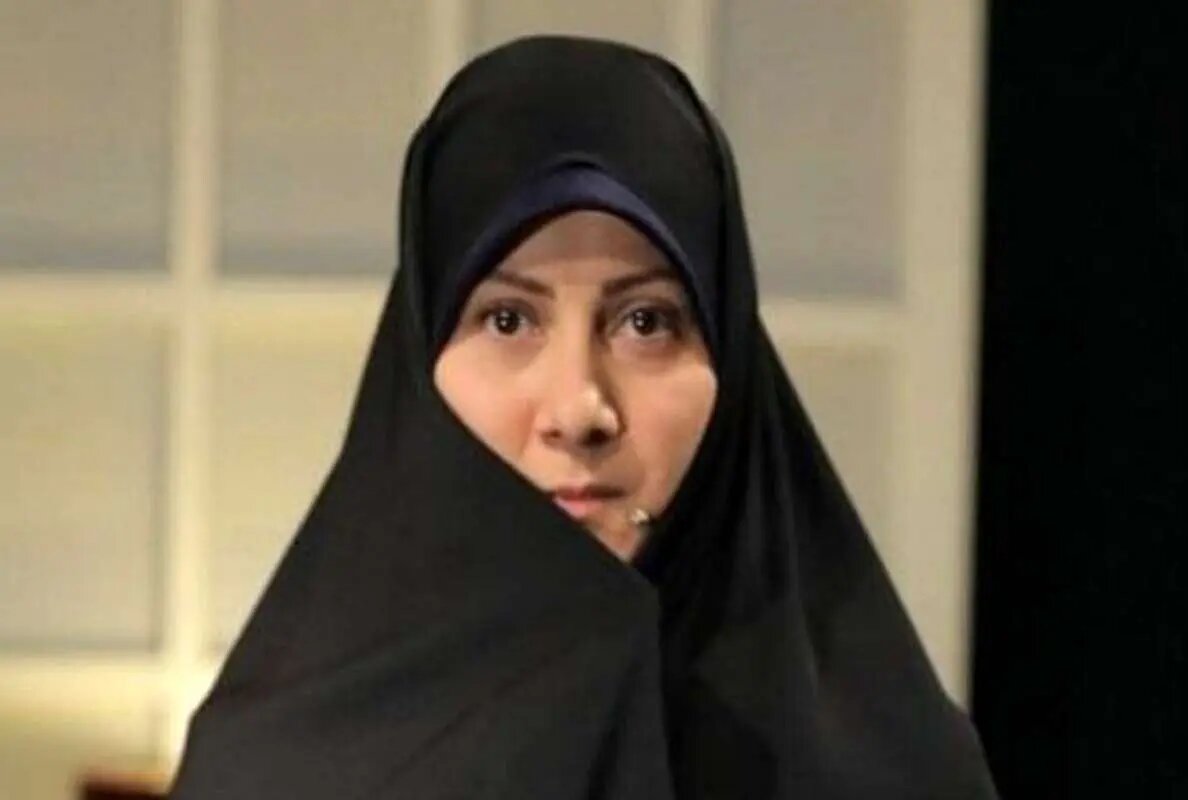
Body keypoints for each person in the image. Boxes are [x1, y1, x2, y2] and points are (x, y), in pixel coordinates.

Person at [168, 35, 997, 798]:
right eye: (507, 320)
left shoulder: (897, 774)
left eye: (646, 322)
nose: (579, 409)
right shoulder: (276, 775)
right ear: (421, 358)